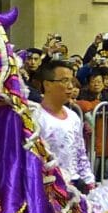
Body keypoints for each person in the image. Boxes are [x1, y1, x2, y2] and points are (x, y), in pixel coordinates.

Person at [33, 60, 94, 193]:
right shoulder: (35, 118)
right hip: (48, 188)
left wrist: (89, 181)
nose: (70, 86)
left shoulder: (73, 117)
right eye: (64, 81)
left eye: (71, 81)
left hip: (74, 186)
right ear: (47, 84)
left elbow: (80, 152)